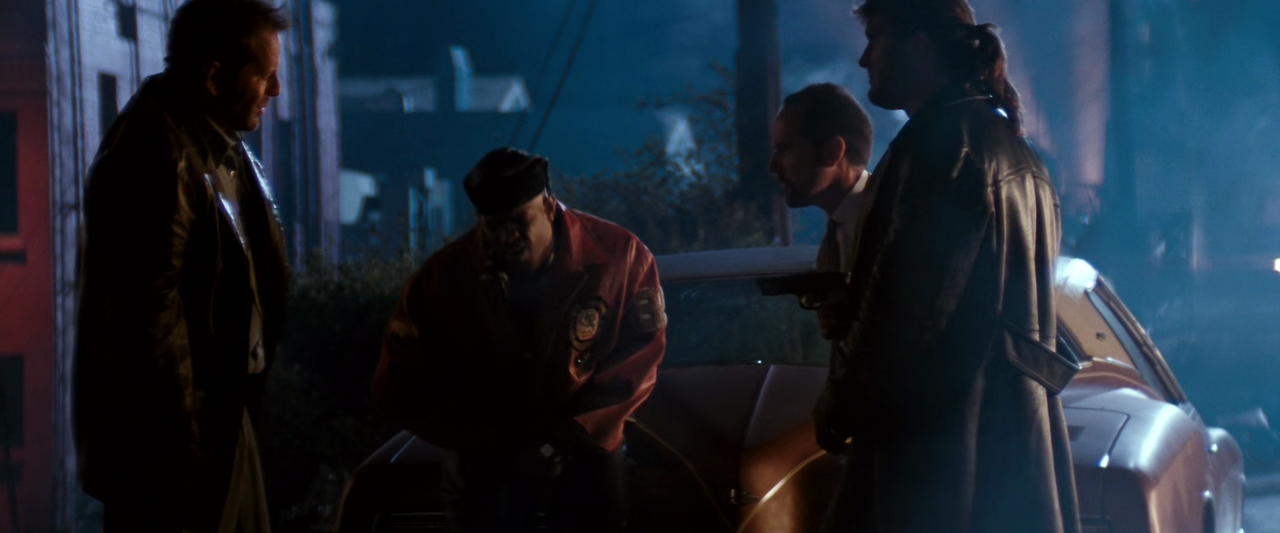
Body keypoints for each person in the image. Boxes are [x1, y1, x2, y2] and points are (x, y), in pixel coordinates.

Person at [821, 0, 1083, 531]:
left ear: (919, 46)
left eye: (876, 39)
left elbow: (907, 312)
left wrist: (841, 400)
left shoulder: (943, 147)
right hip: (1004, 462)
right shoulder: (1017, 151)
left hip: (943, 468)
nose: (865, 59)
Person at [73, 1, 290, 531]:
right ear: (214, 78)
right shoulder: (157, 154)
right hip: (181, 451)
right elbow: (147, 328)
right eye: (264, 75)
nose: (276, 90)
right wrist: (188, 461)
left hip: (218, 430)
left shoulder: (217, 146)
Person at [373, 147, 667, 533]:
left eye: (518, 220)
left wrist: (572, 435)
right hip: (486, 465)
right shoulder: (441, 280)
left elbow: (638, 358)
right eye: (494, 226)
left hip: (585, 455)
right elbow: (399, 382)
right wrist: (478, 438)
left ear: (548, 207)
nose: (507, 236)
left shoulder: (621, 257)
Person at [766, 83, 876, 456]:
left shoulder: (891, 222)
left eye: (785, 149)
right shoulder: (839, 233)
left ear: (833, 151)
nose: (773, 166)